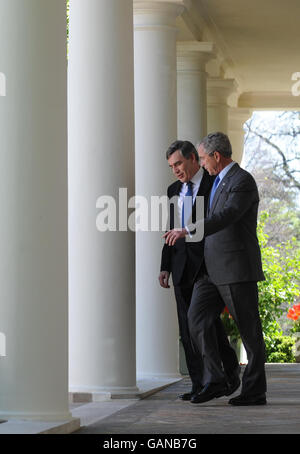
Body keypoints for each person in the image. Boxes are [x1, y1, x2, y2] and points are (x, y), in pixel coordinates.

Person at [164, 132, 267, 406]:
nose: (202, 163)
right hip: (210, 269)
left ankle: (255, 390)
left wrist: (188, 230)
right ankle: (216, 379)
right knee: (195, 319)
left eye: (203, 158)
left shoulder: (241, 180)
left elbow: (227, 216)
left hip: (235, 267)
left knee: (249, 331)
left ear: (216, 157)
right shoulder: (218, 181)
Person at [159, 140, 240, 402]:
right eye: (172, 166)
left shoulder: (213, 183)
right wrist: (165, 266)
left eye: (179, 163)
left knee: (207, 323)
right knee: (187, 328)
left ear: (194, 158)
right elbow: (169, 229)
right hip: (181, 266)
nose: (176, 170)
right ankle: (198, 383)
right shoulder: (173, 190)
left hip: (206, 265)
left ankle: (228, 374)